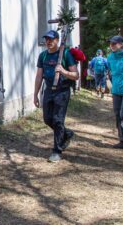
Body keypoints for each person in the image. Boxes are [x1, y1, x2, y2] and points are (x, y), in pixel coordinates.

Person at [34, 30, 79, 163]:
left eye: (51, 39)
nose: (48, 41)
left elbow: (76, 75)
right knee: (48, 119)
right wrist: (35, 94)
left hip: (62, 91)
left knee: (58, 120)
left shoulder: (66, 54)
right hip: (48, 90)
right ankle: (66, 134)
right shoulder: (42, 56)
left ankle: (57, 151)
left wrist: (64, 71)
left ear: (57, 40)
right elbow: (39, 76)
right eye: (46, 39)